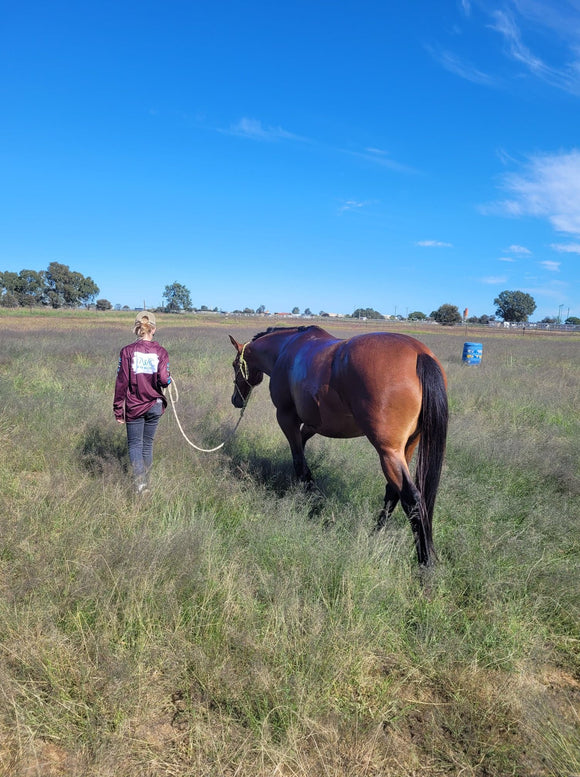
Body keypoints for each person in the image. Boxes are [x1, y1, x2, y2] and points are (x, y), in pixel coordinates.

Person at [113, 311, 171, 494]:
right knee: (147, 445)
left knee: (135, 445)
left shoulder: (127, 351)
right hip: (155, 404)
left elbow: (121, 382)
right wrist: (168, 380)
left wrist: (118, 409)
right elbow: (163, 380)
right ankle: (146, 483)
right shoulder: (161, 352)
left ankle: (141, 484)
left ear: (137, 328)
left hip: (134, 406)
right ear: (153, 329)